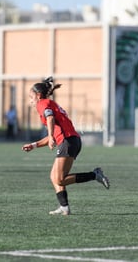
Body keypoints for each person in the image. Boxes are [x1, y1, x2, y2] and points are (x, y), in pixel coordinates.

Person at [22, 77, 110, 216]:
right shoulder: (51, 103)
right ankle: (64, 207)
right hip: (71, 140)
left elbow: (50, 119)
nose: (31, 100)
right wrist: (34, 145)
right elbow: (55, 132)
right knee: (55, 177)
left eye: (31, 97)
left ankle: (95, 175)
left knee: (59, 179)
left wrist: (51, 137)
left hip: (68, 141)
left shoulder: (42, 103)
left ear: (38, 96)